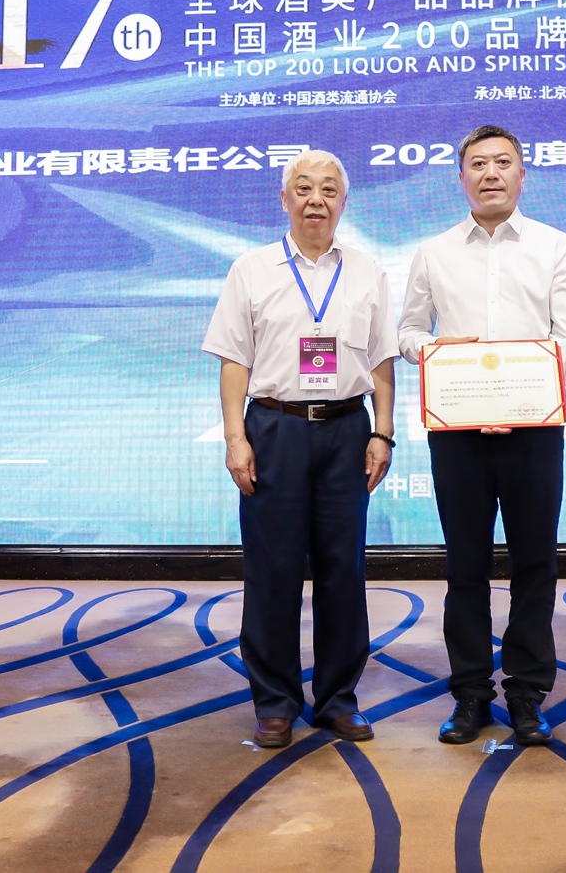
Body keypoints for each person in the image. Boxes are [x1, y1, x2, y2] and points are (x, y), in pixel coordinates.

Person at [203, 149, 398, 749]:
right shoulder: (251, 269)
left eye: (330, 189)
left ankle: (338, 699)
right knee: (273, 571)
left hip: (346, 430)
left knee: (344, 570)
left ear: (344, 201)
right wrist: (235, 438)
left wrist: (383, 432)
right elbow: (234, 360)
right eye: (305, 188)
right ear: (284, 199)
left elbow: (382, 360)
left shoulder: (367, 271)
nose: (317, 199)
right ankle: (275, 702)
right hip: (275, 428)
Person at [398, 124, 566, 746]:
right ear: (461, 178)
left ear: (522, 174)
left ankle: (527, 693)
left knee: (535, 561)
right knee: (465, 564)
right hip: (459, 430)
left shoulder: (555, 246)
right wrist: (438, 351)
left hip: (533, 428)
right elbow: (408, 334)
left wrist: (520, 390)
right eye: (478, 164)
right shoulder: (434, 252)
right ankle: (470, 694)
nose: (491, 174)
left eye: (503, 162)